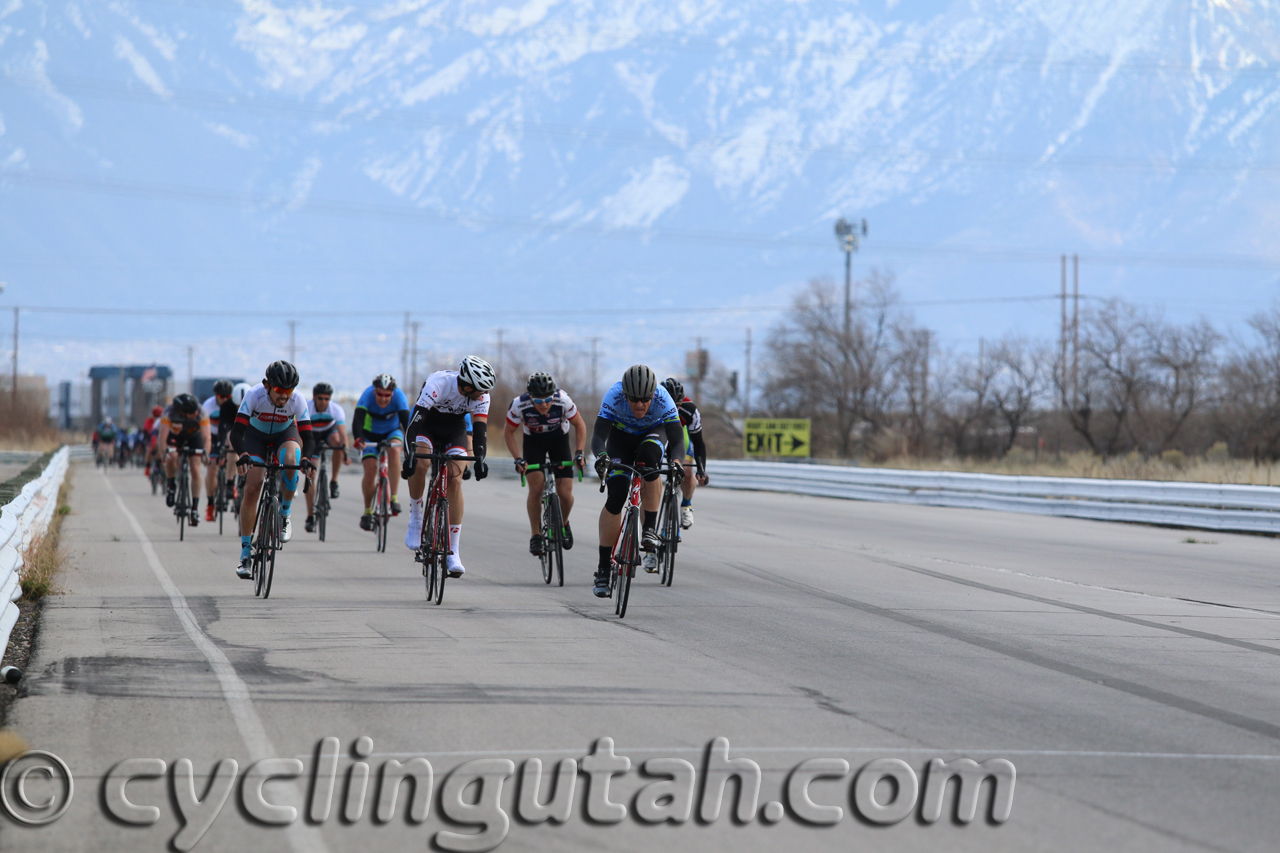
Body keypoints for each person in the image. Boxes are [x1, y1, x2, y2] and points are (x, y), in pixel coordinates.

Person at [590, 364, 684, 597]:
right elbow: (599, 435)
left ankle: (649, 529)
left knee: (649, 461)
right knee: (616, 496)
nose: (640, 405)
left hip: (653, 434)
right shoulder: (613, 395)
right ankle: (603, 568)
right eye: (634, 400)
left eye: (645, 399)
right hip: (620, 439)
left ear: (654, 394)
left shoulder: (664, 400)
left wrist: (677, 463)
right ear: (625, 395)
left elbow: (677, 440)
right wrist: (602, 456)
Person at [402, 356, 494, 578]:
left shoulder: (482, 397)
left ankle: (453, 551)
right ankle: (416, 518)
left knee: (455, 477)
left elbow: (480, 432)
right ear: (467, 385)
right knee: (421, 462)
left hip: (455, 429)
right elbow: (414, 423)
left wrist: (480, 458)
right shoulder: (439, 383)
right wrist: (409, 456)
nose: (483, 395)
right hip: (427, 425)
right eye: (480, 390)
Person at [229, 361, 314, 578]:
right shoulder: (254, 395)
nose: (285, 396)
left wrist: (306, 458)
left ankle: (284, 513)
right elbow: (237, 432)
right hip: (255, 437)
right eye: (279, 390)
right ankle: (246, 553)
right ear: (267, 386)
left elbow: (308, 436)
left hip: (284, 435)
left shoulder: (298, 400)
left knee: (291, 458)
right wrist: (243, 455)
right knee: (252, 487)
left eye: (289, 390)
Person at [503, 372, 587, 555]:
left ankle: (564, 523)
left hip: (559, 441)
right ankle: (536, 535)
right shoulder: (519, 404)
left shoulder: (563, 400)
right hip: (534, 443)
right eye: (539, 401)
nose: (544, 405)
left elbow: (580, 425)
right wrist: (518, 458)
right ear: (530, 397)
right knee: (536, 489)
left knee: (565, 494)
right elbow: (508, 432)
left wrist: (579, 453)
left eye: (548, 400)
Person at [352, 374, 410, 530]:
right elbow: (357, 420)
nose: (383, 399)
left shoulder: (399, 396)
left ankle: (394, 498)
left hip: (392, 432)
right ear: (374, 391)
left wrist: (411, 445)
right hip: (369, 434)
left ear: (392, 393)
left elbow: (407, 423)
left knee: (394, 450)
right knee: (370, 470)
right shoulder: (367, 395)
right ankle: (368, 511)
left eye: (387, 395)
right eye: (380, 394)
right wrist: (358, 438)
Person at [157, 394, 213, 526]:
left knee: (195, 468)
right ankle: (171, 484)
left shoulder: (201, 414)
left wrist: (206, 454)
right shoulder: (169, 413)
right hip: (175, 437)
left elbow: (207, 438)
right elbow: (162, 438)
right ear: (183, 413)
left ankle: (194, 508)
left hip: (194, 437)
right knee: (172, 457)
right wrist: (164, 454)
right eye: (193, 413)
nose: (197, 413)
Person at [661, 377, 710, 529]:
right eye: (669, 404)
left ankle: (686, 506)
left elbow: (699, 443)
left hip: (681, 437)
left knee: (687, 473)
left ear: (682, 401)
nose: (673, 409)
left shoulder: (690, 410)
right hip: (660, 435)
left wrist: (701, 470)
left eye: (676, 405)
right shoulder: (652, 406)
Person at [304, 382, 347, 533]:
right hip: (311, 437)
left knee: (338, 443)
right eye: (320, 398)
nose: (323, 402)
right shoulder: (307, 407)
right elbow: (301, 435)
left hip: (329, 432)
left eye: (327, 399)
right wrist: (305, 457)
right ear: (314, 397)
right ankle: (310, 515)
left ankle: (334, 480)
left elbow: (342, 434)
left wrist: (345, 453)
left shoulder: (336, 409)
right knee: (310, 474)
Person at [202, 380, 240, 522]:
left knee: (233, 448)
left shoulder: (233, 404)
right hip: (212, 436)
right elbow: (204, 431)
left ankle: (231, 483)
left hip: (228, 433)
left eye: (227, 396)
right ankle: (211, 504)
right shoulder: (208, 406)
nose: (224, 399)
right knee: (212, 469)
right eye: (221, 396)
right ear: (216, 395)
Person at [142, 405, 163, 477]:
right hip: (150, 439)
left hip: (160, 439)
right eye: (155, 416)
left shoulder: (163, 421)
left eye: (158, 416)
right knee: (149, 450)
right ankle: (147, 468)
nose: (156, 418)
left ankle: (160, 469)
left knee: (160, 453)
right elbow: (145, 432)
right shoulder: (148, 421)